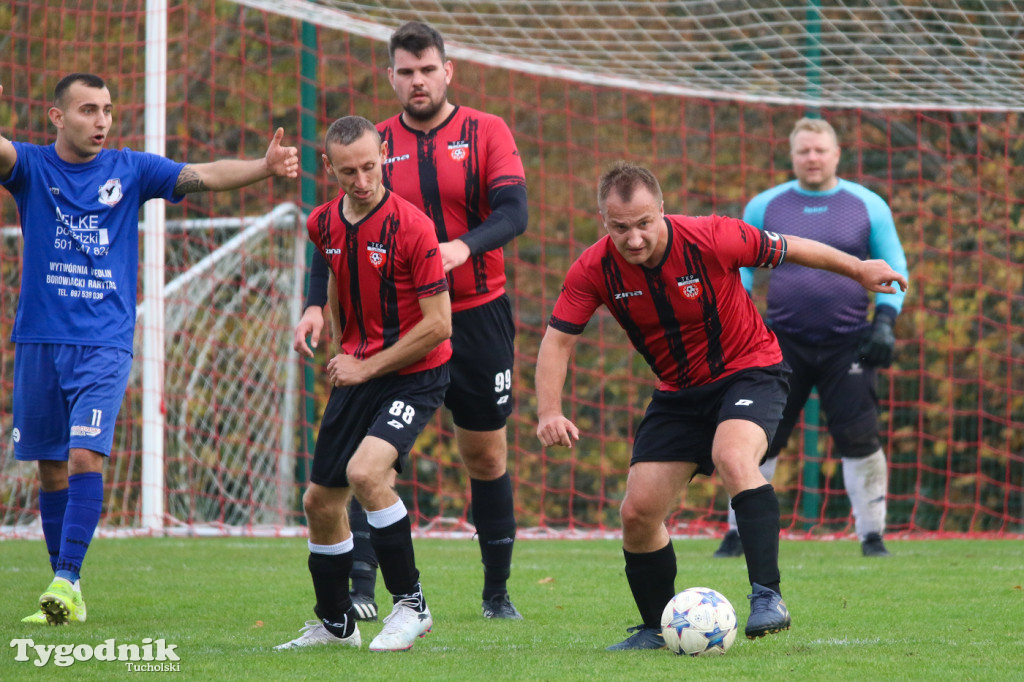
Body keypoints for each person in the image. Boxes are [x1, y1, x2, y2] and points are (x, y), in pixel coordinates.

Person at [535, 161, 906, 649]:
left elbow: (792, 248)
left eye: (644, 223)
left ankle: (767, 596)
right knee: (638, 511)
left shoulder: (714, 237)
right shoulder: (593, 268)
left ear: (662, 211)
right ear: (604, 221)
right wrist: (548, 411)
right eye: (620, 227)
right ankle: (654, 628)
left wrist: (859, 269)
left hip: (752, 371)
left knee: (733, 456)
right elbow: (557, 340)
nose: (635, 239)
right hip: (678, 392)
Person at [0, 73, 298, 626]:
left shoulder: (130, 168)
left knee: (85, 454)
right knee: (49, 469)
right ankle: (67, 584)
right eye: (88, 110)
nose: (102, 121)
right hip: (40, 340)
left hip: (103, 344)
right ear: (57, 117)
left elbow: (203, 174)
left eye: (108, 109)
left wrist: (263, 166)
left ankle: (65, 580)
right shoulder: (32, 168)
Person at [293, 21, 528, 621]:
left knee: (484, 455)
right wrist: (317, 302)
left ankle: (496, 593)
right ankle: (365, 591)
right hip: (392, 328)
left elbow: (515, 212)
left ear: (447, 71)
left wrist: (464, 248)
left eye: (428, 69)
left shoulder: (486, 130)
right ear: (390, 76)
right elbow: (335, 232)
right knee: (373, 462)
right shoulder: (370, 145)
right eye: (406, 71)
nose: (417, 80)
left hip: (475, 314)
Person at [276, 116, 452, 652]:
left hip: (414, 372)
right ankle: (335, 624)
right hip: (356, 368)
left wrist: (365, 366)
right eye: (348, 171)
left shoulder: (413, 227)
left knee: (365, 473)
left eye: (371, 166)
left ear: (385, 158)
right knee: (320, 503)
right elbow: (325, 257)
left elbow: (439, 324)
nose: (362, 179)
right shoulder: (323, 221)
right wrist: (313, 309)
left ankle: (411, 606)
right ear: (328, 167)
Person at [712, 117, 909, 560]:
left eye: (820, 150)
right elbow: (737, 270)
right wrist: (736, 322)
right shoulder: (765, 205)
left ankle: (872, 537)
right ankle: (737, 532)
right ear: (792, 155)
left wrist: (885, 323)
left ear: (837, 153)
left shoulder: (867, 204)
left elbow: (895, 263)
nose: (813, 158)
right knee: (757, 436)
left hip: (851, 342)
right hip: (779, 345)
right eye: (804, 151)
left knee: (859, 436)